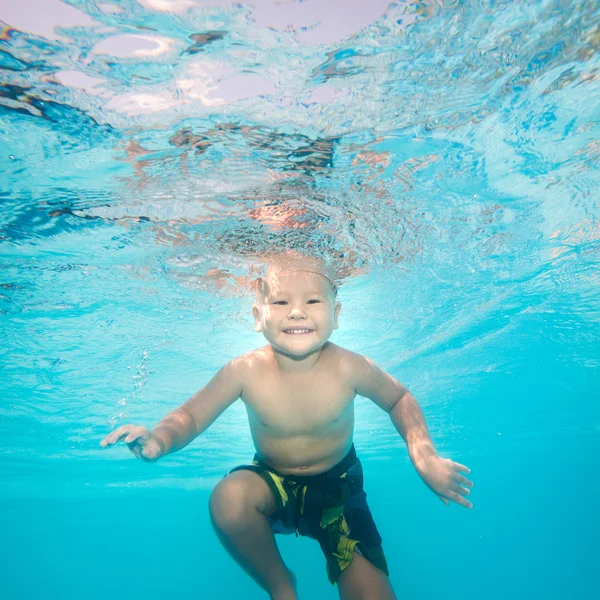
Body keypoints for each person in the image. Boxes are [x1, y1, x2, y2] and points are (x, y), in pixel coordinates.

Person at [100, 253, 473, 600]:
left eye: (312, 301)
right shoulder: (243, 371)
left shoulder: (350, 367)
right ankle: (281, 586)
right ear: (257, 315)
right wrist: (159, 440)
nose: (296, 312)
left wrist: (425, 457)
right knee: (228, 499)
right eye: (280, 302)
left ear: (336, 314)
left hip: (339, 492)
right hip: (271, 480)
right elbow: (192, 416)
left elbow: (398, 399)